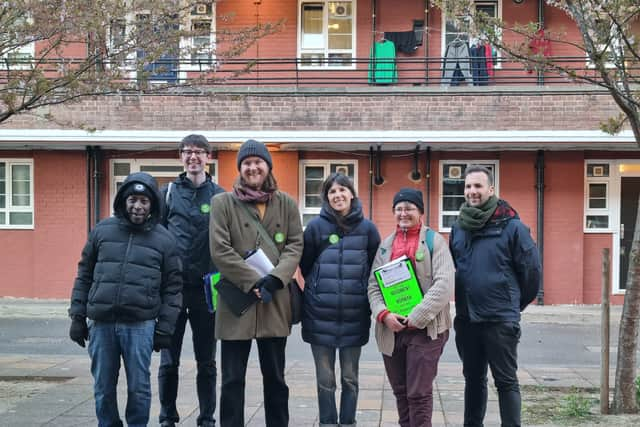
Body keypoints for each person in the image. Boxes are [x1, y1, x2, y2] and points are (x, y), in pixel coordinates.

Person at [68, 172, 182, 427]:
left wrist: (165, 328)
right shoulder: (102, 231)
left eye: (144, 201)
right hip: (101, 325)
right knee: (103, 386)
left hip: (140, 326)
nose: (138, 206)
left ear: (153, 204)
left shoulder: (164, 239)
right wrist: (77, 315)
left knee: (139, 388)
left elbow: (173, 288)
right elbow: (84, 274)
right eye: (132, 199)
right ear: (123, 201)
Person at [209, 138, 303, 427]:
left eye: (257, 162)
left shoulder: (286, 202)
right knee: (232, 379)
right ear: (240, 168)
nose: (252, 167)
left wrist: (275, 280)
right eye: (247, 163)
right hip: (236, 302)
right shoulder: (222, 202)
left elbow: (295, 244)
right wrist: (254, 280)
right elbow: (219, 249)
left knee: (275, 377)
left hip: (274, 301)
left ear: (267, 166)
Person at [449, 165, 541, 427]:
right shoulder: (459, 228)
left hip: (500, 320)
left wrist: (513, 304)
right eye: (468, 186)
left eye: (478, 186)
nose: (472, 191)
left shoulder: (512, 226)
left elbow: (532, 272)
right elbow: (458, 267)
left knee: (506, 382)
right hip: (468, 319)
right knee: (473, 379)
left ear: (491, 189)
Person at [368, 188, 454, 427]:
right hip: (393, 330)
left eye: (409, 208)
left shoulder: (434, 241)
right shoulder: (385, 245)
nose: (403, 213)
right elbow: (373, 287)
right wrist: (384, 315)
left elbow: (444, 284)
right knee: (401, 391)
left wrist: (418, 316)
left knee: (418, 393)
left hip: (426, 330)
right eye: (399, 209)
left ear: (421, 212)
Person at [300, 173, 381, 427]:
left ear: (352, 194)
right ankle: (326, 422)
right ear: (326, 197)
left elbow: (374, 267)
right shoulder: (314, 227)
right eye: (332, 192)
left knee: (350, 378)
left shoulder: (368, 229)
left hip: (354, 314)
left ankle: (347, 422)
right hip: (319, 315)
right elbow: (306, 265)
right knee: (325, 380)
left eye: (342, 190)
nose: (337, 195)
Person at [158, 134, 225, 427]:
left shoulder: (220, 196)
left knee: (207, 362)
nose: (193, 157)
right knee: (168, 361)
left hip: (206, 291)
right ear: (181, 157)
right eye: (187, 152)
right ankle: (167, 417)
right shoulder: (168, 193)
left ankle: (206, 418)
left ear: (208, 157)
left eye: (199, 152)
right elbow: (156, 237)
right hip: (172, 290)